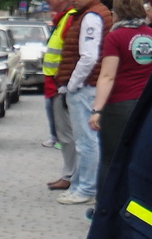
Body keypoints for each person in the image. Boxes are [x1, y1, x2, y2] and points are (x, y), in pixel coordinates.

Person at [90, 0, 150, 180]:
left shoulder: (115, 37)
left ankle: (105, 204)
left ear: (119, 12)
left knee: (111, 158)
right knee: (141, 157)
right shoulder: (151, 34)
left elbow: (108, 75)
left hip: (120, 105)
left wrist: (97, 110)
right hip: (146, 105)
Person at [61, 0, 112, 206]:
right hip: (89, 85)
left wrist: (73, 83)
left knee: (86, 142)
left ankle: (86, 188)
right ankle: (80, 185)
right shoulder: (95, 13)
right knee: (87, 141)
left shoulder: (91, 16)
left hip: (85, 87)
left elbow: (89, 56)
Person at [48, 0, 77, 189]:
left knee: (67, 134)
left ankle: (70, 176)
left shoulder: (70, 17)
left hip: (62, 83)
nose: (49, 2)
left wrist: (64, 82)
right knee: (64, 134)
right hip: (56, 83)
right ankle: (69, 174)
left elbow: (73, 53)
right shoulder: (63, 18)